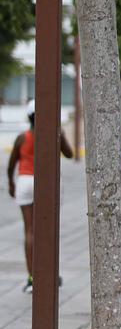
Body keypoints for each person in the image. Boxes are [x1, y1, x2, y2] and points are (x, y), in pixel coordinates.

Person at [6, 105, 74, 293]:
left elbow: (11, 164)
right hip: (48, 183)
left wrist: (11, 184)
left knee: (30, 230)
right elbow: (70, 154)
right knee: (48, 229)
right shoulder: (55, 134)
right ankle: (50, 274)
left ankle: (32, 277)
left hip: (25, 181)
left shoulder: (22, 138)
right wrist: (61, 134)